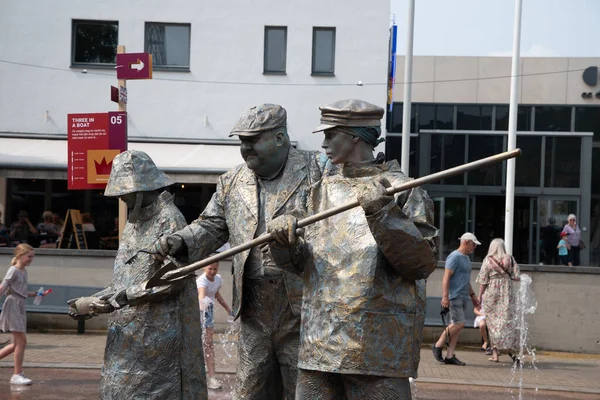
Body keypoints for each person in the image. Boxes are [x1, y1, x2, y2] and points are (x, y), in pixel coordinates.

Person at [266, 99, 439, 399]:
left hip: (376, 352)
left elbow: (420, 264)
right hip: (319, 347)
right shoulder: (318, 192)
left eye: (331, 135)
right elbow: (298, 265)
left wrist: (383, 212)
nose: (323, 144)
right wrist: (283, 242)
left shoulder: (403, 189)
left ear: (355, 135)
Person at [154, 104, 326, 400]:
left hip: (304, 309)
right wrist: (180, 241)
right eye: (241, 141)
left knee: (304, 392)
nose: (245, 148)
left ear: (281, 138)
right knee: (250, 391)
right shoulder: (231, 182)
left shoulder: (318, 169)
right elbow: (210, 226)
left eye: (253, 140)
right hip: (254, 310)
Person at [67, 150, 207, 399]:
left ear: (142, 189)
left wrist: (119, 299)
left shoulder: (170, 219)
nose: (121, 197)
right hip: (129, 335)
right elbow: (125, 278)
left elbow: (174, 279)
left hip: (159, 336)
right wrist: (95, 301)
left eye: (125, 191)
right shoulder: (134, 222)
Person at [432, 232, 480, 366]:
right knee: (459, 323)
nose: (475, 246)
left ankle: (449, 356)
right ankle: (437, 345)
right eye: (473, 244)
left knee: (457, 326)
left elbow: (466, 280)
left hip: (464, 296)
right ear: (465, 242)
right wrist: (445, 297)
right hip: (454, 297)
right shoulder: (454, 257)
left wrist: (473, 296)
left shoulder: (466, 259)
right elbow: (446, 277)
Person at [0, 244, 44, 385]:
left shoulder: (23, 271)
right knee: (21, 342)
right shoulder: (13, 270)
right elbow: (3, 286)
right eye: (29, 256)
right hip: (12, 305)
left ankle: (17, 374)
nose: (31, 259)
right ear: (20, 255)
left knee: (17, 344)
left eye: (32, 257)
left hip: (20, 305)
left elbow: (20, 291)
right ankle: (17, 374)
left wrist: (35, 294)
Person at [476, 238, 521, 363]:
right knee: (508, 322)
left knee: (492, 324)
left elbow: (483, 280)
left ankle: (495, 354)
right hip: (507, 293)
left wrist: (480, 296)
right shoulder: (510, 259)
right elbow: (517, 277)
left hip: (492, 293)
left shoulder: (488, 260)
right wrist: (506, 276)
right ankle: (511, 351)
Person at [197, 262, 232, 390]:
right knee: (197, 345)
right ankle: (196, 376)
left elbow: (216, 295)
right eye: (209, 268)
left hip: (209, 310)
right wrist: (201, 306)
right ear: (204, 267)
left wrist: (228, 308)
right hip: (198, 309)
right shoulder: (202, 282)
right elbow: (201, 296)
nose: (212, 271)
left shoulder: (218, 279)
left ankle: (212, 378)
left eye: (215, 269)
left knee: (208, 344)